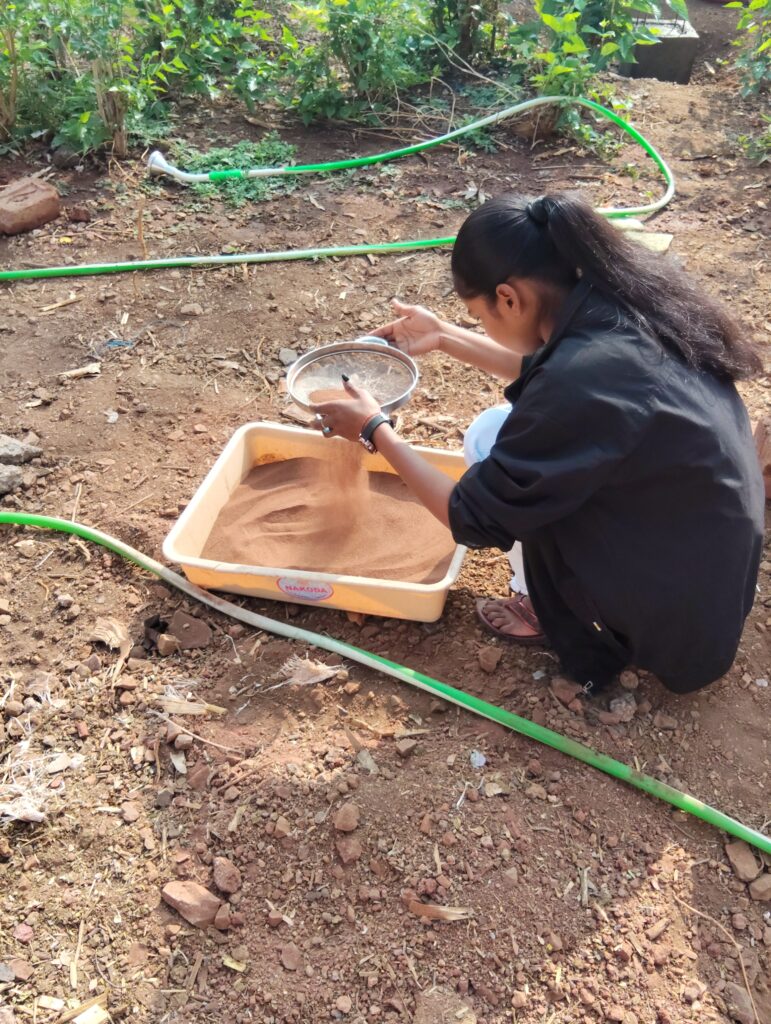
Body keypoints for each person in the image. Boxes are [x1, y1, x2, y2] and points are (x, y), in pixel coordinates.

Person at [311, 193, 765, 695]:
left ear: (509, 298)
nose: (480, 325)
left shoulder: (581, 382)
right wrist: (444, 336)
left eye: (477, 314)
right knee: (493, 431)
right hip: (704, 560)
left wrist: (374, 428)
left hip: (674, 617)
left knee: (514, 480)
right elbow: (550, 373)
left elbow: (471, 517)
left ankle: (565, 619)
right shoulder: (615, 303)